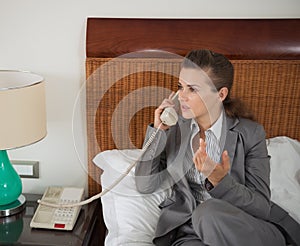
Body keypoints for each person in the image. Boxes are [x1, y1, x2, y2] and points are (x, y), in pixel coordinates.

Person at [135, 49, 300, 246]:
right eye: (180, 87)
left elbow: (261, 207)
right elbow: (145, 185)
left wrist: (220, 181)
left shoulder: (250, 134)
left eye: (192, 89)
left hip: (245, 226)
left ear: (220, 94)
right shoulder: (174, 130)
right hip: (191, 232)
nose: (181, 96)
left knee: (208, 212)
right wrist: (158, 131)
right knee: (201, 216)